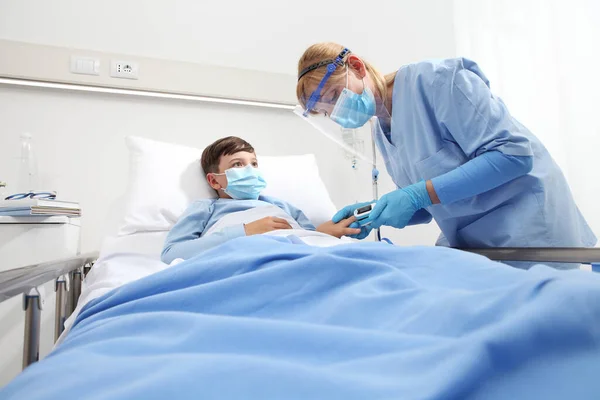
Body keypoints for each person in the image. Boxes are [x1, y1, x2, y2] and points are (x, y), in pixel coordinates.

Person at [296, 43, 596, 269]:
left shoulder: (437, 81)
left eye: (335, 96)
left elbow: (514, 155)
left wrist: (416, 196)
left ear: (357, 67)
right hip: (474, 247)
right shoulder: (382, 130)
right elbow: (431, 202)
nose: (336, 112)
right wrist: (376, 213)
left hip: (529, 235)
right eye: (326, 111)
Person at [161, 136, 360, 263]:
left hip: (299, 255)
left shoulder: (278, 205)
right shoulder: (207, 208)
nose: (250, 170)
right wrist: (245, 231)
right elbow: (172, 253)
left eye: (254, 164)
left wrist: (324, 233)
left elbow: (307, 238)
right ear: (214, 181)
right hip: (250, 257)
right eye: (238, 164)